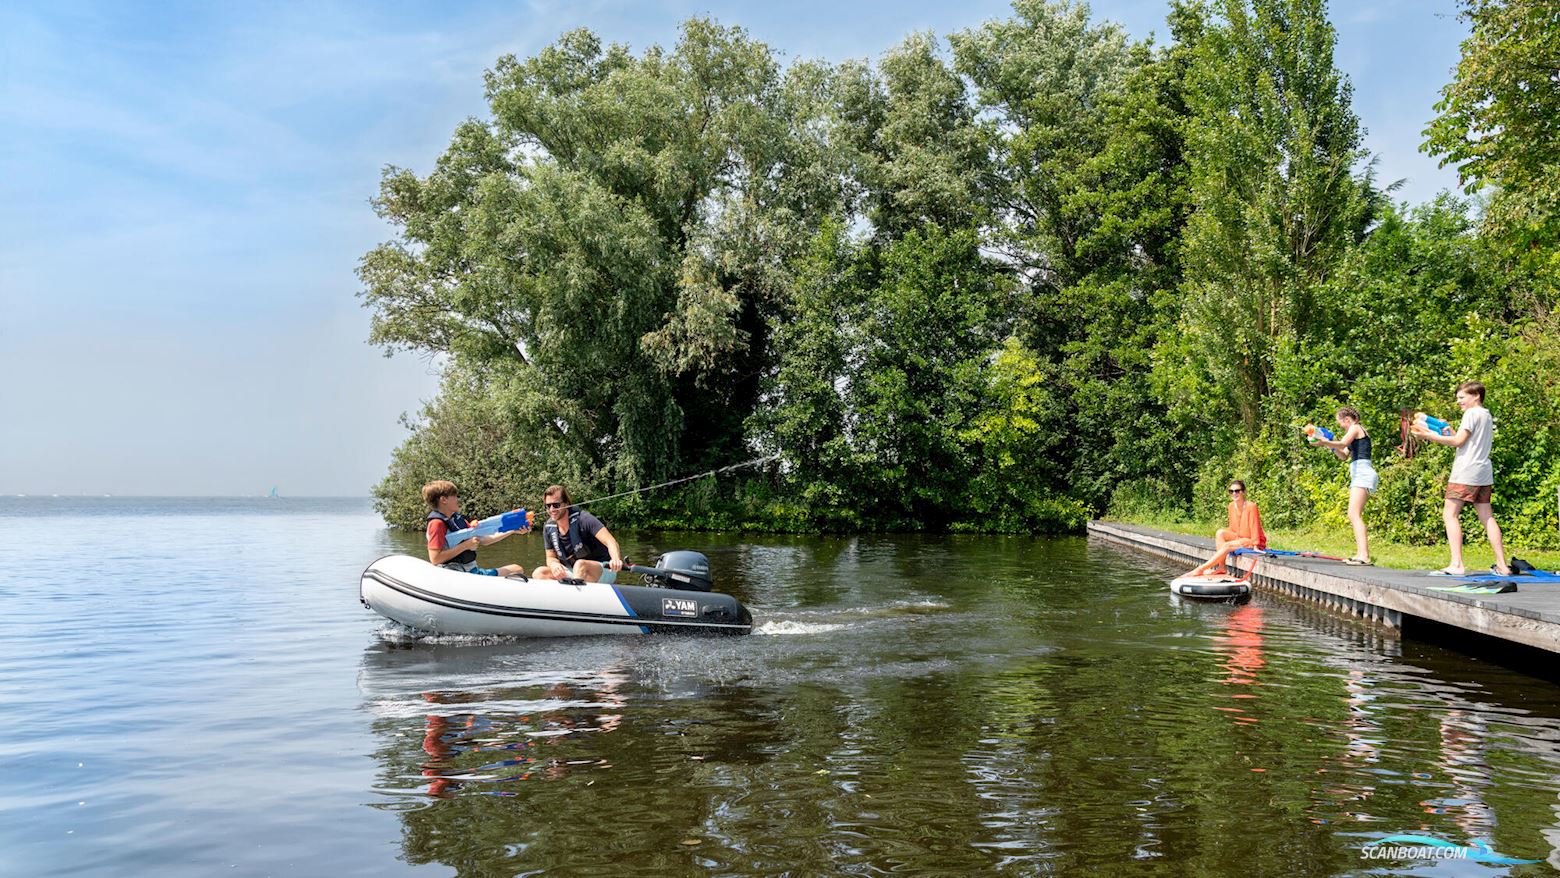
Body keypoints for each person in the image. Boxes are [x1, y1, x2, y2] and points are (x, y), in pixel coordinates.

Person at [1412, 381, 1510, 576]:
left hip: (1466, 471)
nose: (1458, 401)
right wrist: (1448, 431)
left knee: (1450, 515)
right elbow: (1464, 441)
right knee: (1487, 516)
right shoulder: (1486, 414)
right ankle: (1502, 565)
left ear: (1476, 396)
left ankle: (1457, 564)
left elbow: (1458, 442)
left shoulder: (1471, 414)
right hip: (1483, 471)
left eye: (1462, 397)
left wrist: (1428, 436)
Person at [1310, 406, 1376, 565]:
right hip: (1359, 474)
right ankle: (1360, 554)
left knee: (1354, 514)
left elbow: (1342, 443)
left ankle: (1364, 556)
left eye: (1340, 422)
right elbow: (1343, 455)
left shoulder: (1355, 428)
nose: (1340, 426)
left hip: (1363, 473)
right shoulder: (1353, 432)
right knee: (1353, 514)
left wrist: (1325, 440)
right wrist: (1328, 445)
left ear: (1347, 419)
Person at [422, 480, 527, 577]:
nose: (457, 499)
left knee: (517, 569)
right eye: (454, 496)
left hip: (471, 571)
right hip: (456, 574)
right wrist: (465, 545)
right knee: (516, 569)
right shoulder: (436, 524)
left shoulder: (458, 520)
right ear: (443, 500)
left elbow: (485, 540)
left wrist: (512, 530)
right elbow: (435, 559)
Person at [530, 485, 626, 583]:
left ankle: (574, 589)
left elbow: (611, 541)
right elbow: (550, 557)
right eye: (548, 506)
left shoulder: (584, 519)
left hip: (602, 569)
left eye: (556, 505)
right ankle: (569, 588)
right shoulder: (548, 528)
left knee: (580, 565)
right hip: (573, 570)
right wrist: (554, 564)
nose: (551, 509)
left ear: (566, 503)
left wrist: (615, 559)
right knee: (539, 573)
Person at [1187, 480, 1267, 577]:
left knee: (1227, 546)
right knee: (1220, 533)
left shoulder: (1251, 506)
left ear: (1243, 492)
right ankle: (1222, 567)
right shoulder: (1231, 506)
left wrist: (1256, 545)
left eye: (1237, 491)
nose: (1234, 493)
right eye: (1231, 491)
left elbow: (1255, 526)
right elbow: (1232, 527)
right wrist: (1230, 539)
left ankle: (1201, 569)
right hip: (1239, 537)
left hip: (1250, 540)